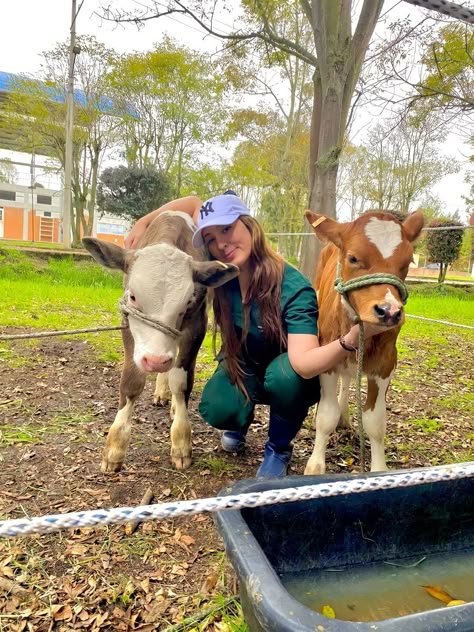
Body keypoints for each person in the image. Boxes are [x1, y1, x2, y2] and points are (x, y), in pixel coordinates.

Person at [125, 191, 372, 478]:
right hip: (244, 363)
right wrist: (144, 222)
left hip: (286, 370)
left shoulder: (294, 287)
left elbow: (304, 363)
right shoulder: (221, 276)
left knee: (286, 379)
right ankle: (238, 421)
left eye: (227, 229)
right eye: (211, 239)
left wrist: (349, 341)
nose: (221, 244)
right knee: (217, 406)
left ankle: (278, 447)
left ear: (249, 225)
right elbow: (193, 203)